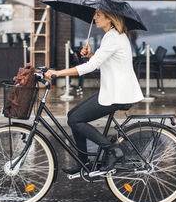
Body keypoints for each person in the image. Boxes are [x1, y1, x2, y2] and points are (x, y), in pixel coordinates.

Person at [45, 9, 144, 174]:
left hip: (117, 94)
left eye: (98, 15)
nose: (94, 17)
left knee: (76, 119)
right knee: (72, 116)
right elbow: (102, 62)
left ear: (110, 18)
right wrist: (91, 54)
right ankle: (83, 162)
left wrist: (57, 73)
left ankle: (112, 149)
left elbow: (91, 67)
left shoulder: (113, 37)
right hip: (112, 91)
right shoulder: (112, 36)